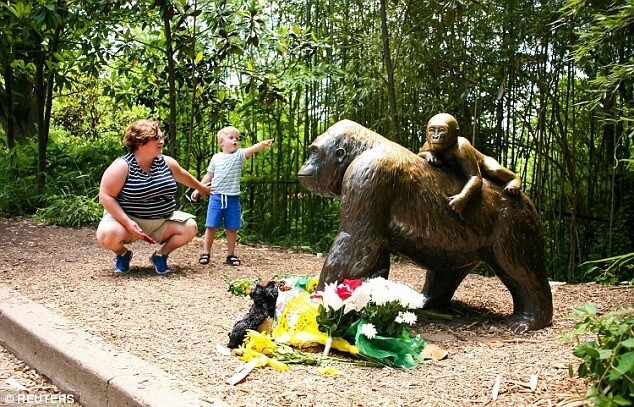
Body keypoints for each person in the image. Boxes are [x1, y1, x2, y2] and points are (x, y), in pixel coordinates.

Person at [96, 119, 211, 275]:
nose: (162, 141)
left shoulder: (166, 162)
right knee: (106, 235)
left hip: (160, 222)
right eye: (156, 138)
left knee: (190, 227)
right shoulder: (122, 166)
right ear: (140, 142)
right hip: (127, 221)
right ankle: (122, 254)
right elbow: (106, 196)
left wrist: (201, 188)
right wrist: (127, 223)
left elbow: (183, 175)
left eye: (162, 138)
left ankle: (160, 256)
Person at [191, 126, 273, 266]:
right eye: (231, 138)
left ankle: (230, 254)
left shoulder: (239, 155)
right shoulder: (216, 158)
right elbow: (209, 175)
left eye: (237, 138)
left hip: (233, 198)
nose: (235, 140)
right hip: (216, 197)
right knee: (211, 226)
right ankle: (206, 253)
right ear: (221, 142)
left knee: (232, 227)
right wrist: (198, 188)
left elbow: (251, 149)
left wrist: (263, 144)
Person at [418, 113, 521, 213]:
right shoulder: (428, 144)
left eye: (442, 131)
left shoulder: (461, 147)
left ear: (455, 133)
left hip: (482, 163)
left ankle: (514, 179)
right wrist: (428, 154)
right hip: (455, 172)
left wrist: (463, 197)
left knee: (495, 171)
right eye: (432, 130)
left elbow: (475, 177)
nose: (435, 136)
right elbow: (418, 157)